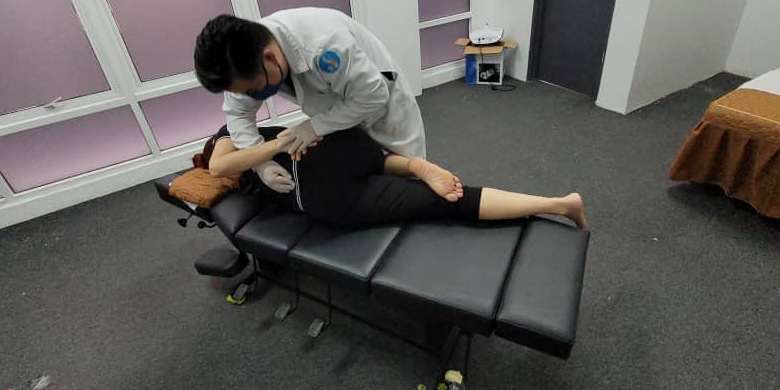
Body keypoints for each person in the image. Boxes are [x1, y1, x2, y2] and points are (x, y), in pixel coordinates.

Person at [194, 8, 426, 196]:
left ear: (269, 57)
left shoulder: (325, 46)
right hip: (334, 108)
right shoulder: (237, 64)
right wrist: (261, 163)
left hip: (379, 101)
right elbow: (239, 114)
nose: (251, 96)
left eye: (254, 88)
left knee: (410, 173)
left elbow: (372, 96)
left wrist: (314, 127)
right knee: (363, 168)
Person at [205, 125, 587, 229]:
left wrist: (273, 151)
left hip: (325, 191)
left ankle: (559, 205)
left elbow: (218, 168)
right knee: (383, 163)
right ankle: (414, 165)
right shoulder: (258, 129)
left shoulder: (228, 135)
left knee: (450, 203)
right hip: (345, 143)